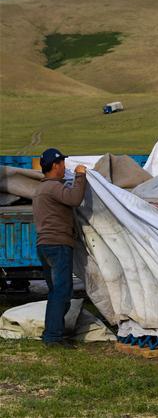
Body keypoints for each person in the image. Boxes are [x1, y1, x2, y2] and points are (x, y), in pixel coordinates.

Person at [33, 148, 88, 347]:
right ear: (55, 165)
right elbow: (74, 199)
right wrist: (81, 175)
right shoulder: (53, 187)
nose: (65, 167)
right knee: (62, 292)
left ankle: (52, 332)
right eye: (63, 163)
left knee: (56, 291)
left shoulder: (40, 189)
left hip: (45, 245)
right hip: (58, 245)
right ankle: (53, 338)